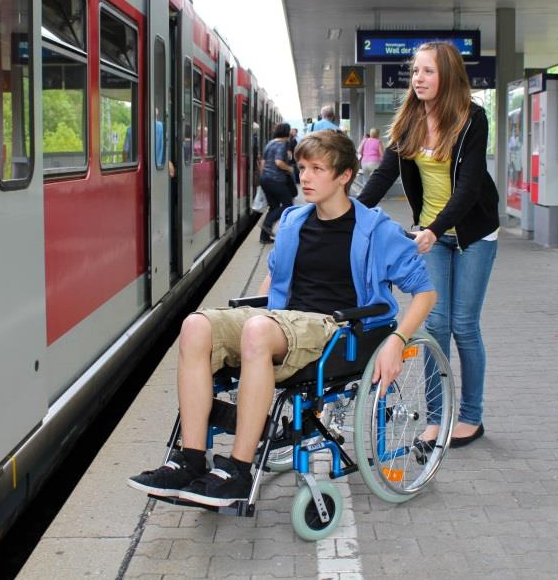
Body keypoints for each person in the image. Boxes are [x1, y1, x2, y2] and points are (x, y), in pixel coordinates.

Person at [127, 130, 436, 507]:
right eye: (303, 167)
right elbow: (275, 278)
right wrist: (249, 317)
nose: (304, 177)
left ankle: (239, 471)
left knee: (258, 330)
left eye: (317, 169)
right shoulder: (292, 221)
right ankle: (191, 460)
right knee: (196, 325)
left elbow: (425, 293)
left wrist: (397, 340)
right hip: (282, 322)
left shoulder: (377, 229)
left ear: (344, 176)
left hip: (337, 330)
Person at [358, 41, 499, 449]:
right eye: (415, 71)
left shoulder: (473, 119)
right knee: (435, 325)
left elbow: (470, 186)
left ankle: (471, 416)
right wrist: (348, 212)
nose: (418, 78)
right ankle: (436, 418)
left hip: (472, 232)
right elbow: (384, 176)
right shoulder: (409, 120)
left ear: (448, 76)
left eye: (427, 72)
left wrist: (435, 229)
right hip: (432, 233)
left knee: (464, 326)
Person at [256, 122, 294, 244]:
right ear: (287, 133)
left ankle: (264, 237)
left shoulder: (270, 143)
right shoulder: (281, 144)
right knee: (288, 204)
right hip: (276, 179)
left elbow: (262, 162)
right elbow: (278, 162)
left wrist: (263, 176)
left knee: (274, 207)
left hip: (265, 178)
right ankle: (266, 224)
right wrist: (289, 169)